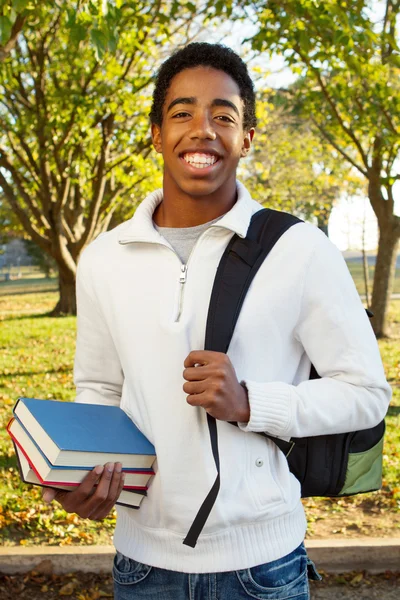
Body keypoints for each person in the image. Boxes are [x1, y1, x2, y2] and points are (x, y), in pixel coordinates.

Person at [42, 43, 391, 599]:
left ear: (246, 139)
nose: (201, 129)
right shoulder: (104, 258)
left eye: (223, 116)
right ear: (156, 135)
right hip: (141, 567)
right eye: (182, 113)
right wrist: (83, 477)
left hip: (264, 568)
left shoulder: (300, 250)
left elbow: (367, 394)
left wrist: (252, 401)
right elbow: (100, 387)